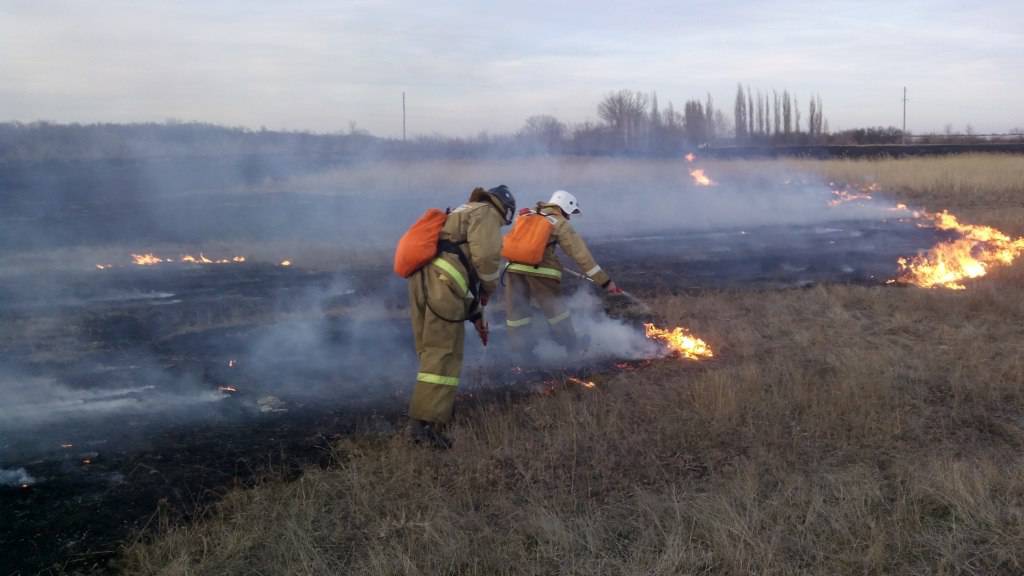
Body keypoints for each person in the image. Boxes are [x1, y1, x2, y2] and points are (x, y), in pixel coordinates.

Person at [407, 185, 515, 448]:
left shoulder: (464, 210)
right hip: (443, 283)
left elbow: (458, 272)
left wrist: (476, 313)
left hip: (423, 279)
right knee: (444, 352)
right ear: (504, 207)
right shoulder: (487, 213)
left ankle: (435, 407)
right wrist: (488, 289)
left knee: (430, 349)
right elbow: (486, 259)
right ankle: (425, 426)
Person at [503, 190, 619, 358]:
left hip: (512, 268)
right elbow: (581, 255)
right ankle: (573, 347)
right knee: (557, 313)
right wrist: (605, 281)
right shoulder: (559, 222)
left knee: (517, 313)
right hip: (541, 272)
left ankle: (521, 351)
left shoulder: (527, 214)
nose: (569, 218)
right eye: (569, 213)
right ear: (565, 207)